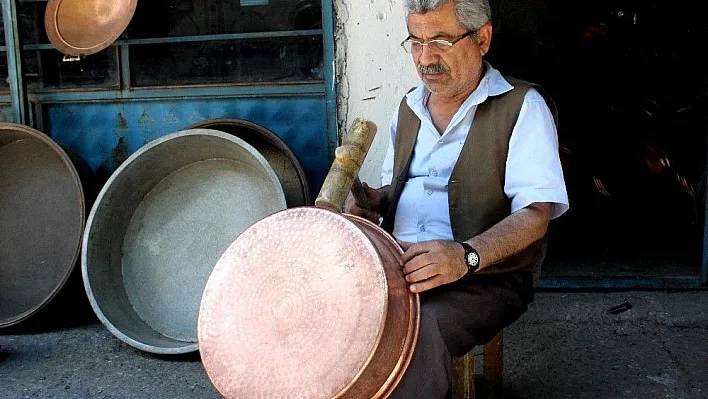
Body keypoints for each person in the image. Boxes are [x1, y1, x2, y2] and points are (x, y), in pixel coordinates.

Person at [344, 0, 569, 397]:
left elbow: (536, 214)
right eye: (415, 42)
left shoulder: (522, 107)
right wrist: (373, 202)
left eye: (441, 41)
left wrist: (464, 256)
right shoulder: (409, 107)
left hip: (485, 277)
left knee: (417, 329)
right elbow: (399, 190)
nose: (425, 58)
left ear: (482, 38)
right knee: (323, 309)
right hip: (399, 266)